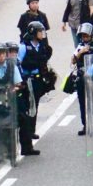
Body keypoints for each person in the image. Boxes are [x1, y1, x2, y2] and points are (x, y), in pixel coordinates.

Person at [18, 22, 53, 156]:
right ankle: (27, 136)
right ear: (33, 32)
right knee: (27, 108)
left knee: (35, 105)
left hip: (39, 79)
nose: (42, 34)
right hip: (28, 80)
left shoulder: (41, 46)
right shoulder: (24, 47)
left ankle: (31, 130)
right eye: (40, 31)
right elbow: (18, 63)